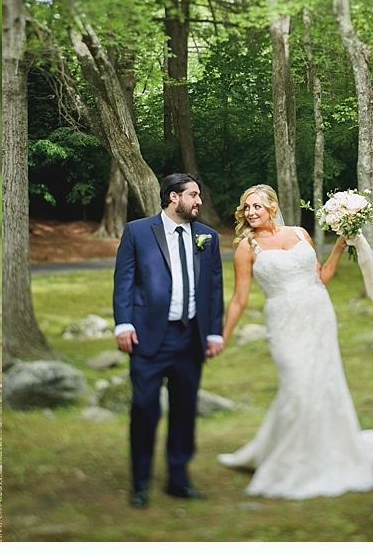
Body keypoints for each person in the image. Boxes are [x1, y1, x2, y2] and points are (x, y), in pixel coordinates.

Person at [217, 184, 373, 499]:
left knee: (322, 383)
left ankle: (322, 452)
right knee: (297, 383)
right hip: (284, 321)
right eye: (246, 207)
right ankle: (289, 457)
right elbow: (239, 299)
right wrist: (224, 335)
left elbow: (320, 277)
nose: (250, 212)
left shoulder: (300, 234)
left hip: (319, 315)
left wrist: (339, 243)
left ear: (272, 207)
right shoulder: (246, 247)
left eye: (256, 207)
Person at [112, 173, 224, 508]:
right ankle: (140, 483)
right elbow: (125, 282)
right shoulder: (138, 231)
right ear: (173, 197)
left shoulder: (208, 237)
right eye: (193, 195)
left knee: (185, 411)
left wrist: (214, 331)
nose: (198, 201)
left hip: (190, 338)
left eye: (199, 195)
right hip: (148, 338)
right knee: (144, 409)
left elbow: (214, 289)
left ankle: (178, 478)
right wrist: (123, 324)